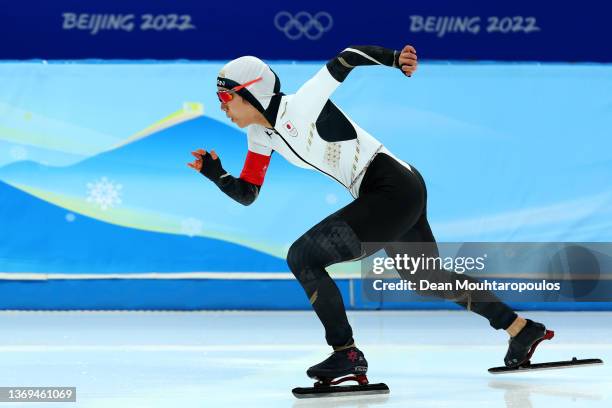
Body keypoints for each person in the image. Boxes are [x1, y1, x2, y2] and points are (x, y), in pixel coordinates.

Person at [187, 44, 550, 381]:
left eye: (225, 97)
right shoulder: (260, 135)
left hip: (389, 185)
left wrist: (395, 59)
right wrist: (216, 174)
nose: (222, 106)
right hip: (394, 189)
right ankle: (520, 329)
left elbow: (346, 58)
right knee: (429, 280)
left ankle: (345, 353)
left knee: (303, 256)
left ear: (252, 93)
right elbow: (248, 193)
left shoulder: (299, 106)